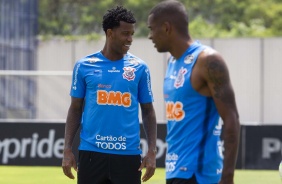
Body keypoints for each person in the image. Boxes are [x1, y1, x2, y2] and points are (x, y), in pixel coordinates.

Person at [147, 1, 240, 184]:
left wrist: (228, 176)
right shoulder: (172, 62)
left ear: (166, 28)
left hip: (199, 174)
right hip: (174, 172)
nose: (150, 36)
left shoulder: (207, 61)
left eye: (152, 29)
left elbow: (231, 119)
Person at [62, 6, 157, 184]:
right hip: (91, 154)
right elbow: (75, 109)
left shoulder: (140, 68)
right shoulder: (84, 66)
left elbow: (148, 110)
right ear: (110, 33)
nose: (130, 39)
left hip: (128, 155)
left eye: (132, 34)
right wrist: (67, 149)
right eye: (125, 33)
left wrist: (152, 150)